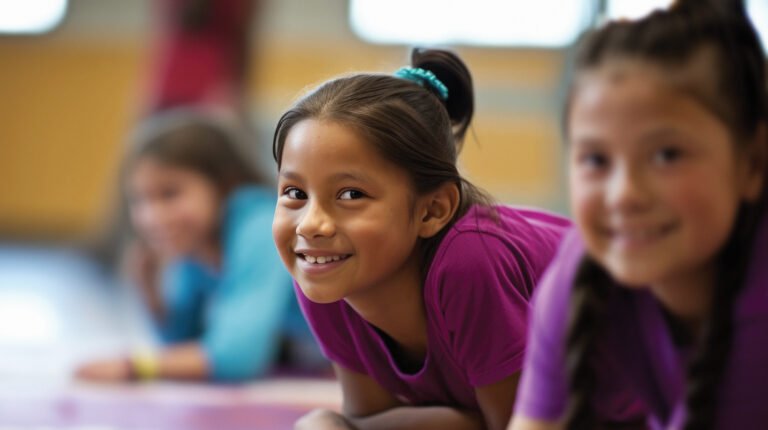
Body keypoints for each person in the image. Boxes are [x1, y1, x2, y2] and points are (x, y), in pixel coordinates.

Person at [271, 48, 571, 429]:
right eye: (295, 193)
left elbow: (521, 425)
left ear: (433, 211)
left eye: (350, 195)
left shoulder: (469, 262)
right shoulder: (326, 272)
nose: (310, 225)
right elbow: (376, 420)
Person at [510, 1, 768, 429]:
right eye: (596, 159)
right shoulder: (580, 273)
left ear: (754, 164)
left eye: (667, 155)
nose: (624, 194)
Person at [76, 110, 317, 382]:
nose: (150, 217)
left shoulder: (262, 225)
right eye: (138, 199)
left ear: (224, 184)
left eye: (170, 193)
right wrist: (150, 293)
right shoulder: (197, 244)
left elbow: (236, 357)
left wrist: (134, 367)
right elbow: (184, 344)